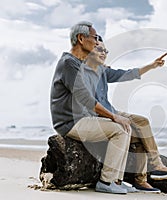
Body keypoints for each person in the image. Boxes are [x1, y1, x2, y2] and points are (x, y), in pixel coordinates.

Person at [50, 21, 138, 194]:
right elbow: (85, 98)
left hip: (83, 119)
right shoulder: (69, 64)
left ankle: (117, 181)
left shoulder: (79, 63)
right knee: (119, 129)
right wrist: (114, 117)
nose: (98, 42)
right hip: (70, 122)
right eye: (95, 38)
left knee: (125, 128)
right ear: (81, 38)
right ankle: (106, 182)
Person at [82, 42, 167, 192]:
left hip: (111, 110)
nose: (104, 53)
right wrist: (114, 118)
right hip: (98, 116)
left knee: (142, 123)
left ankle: (147, 173)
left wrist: (152, 66)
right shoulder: (81, 72)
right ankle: (145, 174)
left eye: (105, 50)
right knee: (134, 130)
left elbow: (128, 74)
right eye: (99, 49)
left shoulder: (103, 71)